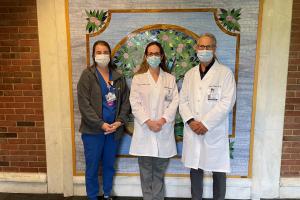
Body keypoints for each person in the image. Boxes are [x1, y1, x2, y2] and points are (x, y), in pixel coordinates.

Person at [179, 33, 236, 200]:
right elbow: (183, 101)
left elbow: (227, 102)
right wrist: (191, 121)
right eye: (201, 47)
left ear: (214, 49)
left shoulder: (224, 73)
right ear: (196, 48)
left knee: (218, 169)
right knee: (195, 168)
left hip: (213, 130)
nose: (204, 50)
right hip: (193, 129)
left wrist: (205, 123)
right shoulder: (190, 74)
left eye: (208, 47)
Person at [77, 40, 130, 200]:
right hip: (93, 131)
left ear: (110, 54)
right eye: (98, 52)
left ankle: (107, 194)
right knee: (92, 167)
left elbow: (126, 102)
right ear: (93, 55)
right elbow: (84, 104)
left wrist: (119, 121)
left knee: (108, 165)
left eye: (105, 52)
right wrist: (101, 124)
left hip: (114, 131)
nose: (102, 55)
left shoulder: (118, 77)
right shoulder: (87, 76)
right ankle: (92, 196)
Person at [129, 41, 179, 200]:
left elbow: (174, 102)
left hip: (163, 130)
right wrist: (148, 121)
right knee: (145, 173)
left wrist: (162, 120)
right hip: (145, 131)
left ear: (162, 56)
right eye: (150, 54)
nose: (153, 56)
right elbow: (134, 103)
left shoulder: (170, 79)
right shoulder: (138, 79)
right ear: (145, 56)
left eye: (157, 53)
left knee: (158, 173)